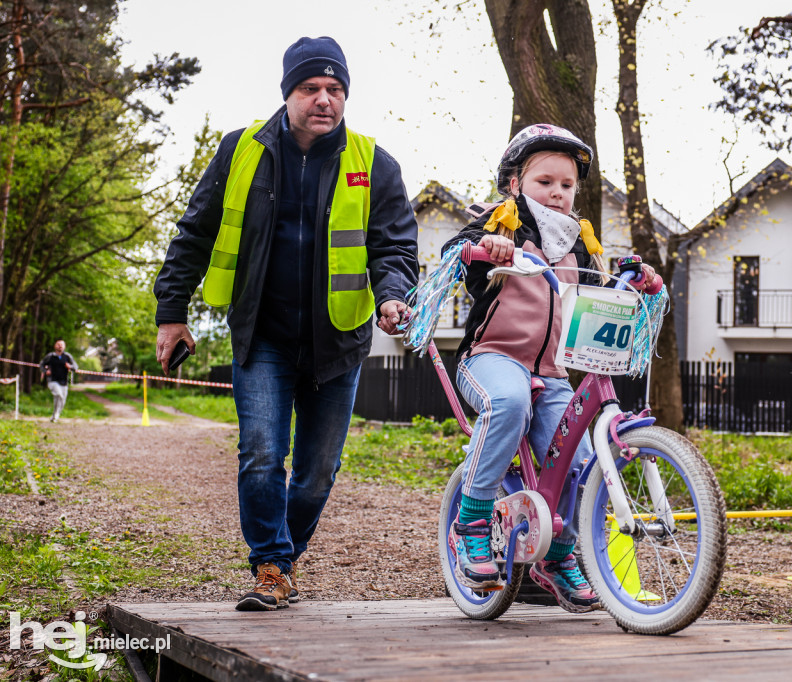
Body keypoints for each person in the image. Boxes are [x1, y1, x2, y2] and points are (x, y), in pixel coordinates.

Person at [153, 36, 418, 612]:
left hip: (339, 342)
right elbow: (194, 231)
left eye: (335, 89)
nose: (324, 99)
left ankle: (285, 556)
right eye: (311, 88)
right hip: (264, 335)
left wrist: (395, 297)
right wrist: (171, 313)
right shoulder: (240, 150)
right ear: (288, 93)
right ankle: (270, 564)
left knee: (319, 470)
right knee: (261, 452)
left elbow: (394, 248)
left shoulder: (375, 164)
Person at [442, 124, 657, 613]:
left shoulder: (579, 240)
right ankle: (472, 521)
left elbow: (597, 289)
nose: (558, 193)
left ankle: (558, 555)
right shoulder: (498, 220)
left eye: (567, 184)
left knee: (583, 460)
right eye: (545, 182)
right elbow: (452, 253)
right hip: (492, 357)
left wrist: (635, 279)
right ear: (515, 182)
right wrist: (486, 248)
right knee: (509, 401)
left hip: (555, 373)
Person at [39, 339, 78, 422]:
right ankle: (55, 416)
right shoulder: (50, 356)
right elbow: (41, 364)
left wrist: (70, 367)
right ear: (55, 346)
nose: (60, 346)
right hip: (52, 381)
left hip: (64, 382)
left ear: (64, 346)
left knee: (61, 400)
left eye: (62, 344)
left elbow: (75, 367)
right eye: (58, 344)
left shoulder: (67, 356)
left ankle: (55, 416)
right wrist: (46, 371)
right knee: (59, 395)